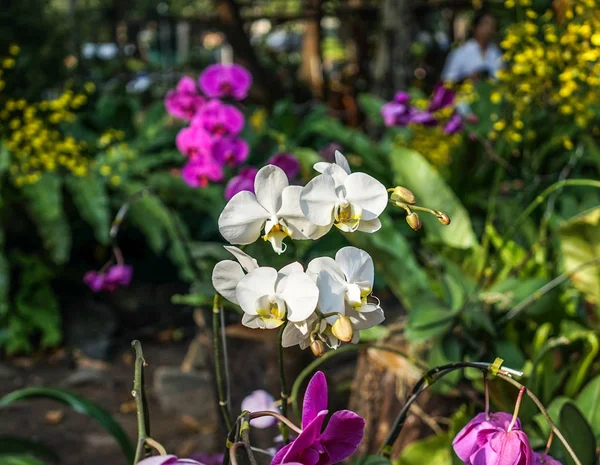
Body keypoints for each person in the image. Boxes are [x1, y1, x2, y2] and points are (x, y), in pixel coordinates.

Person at [441, 10, 502, 83]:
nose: (489, 30)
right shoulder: (460, 52)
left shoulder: (496, 52)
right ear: (475, 28)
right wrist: (466, 79)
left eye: (492, 26)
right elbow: (447, 81)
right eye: (486, 24)